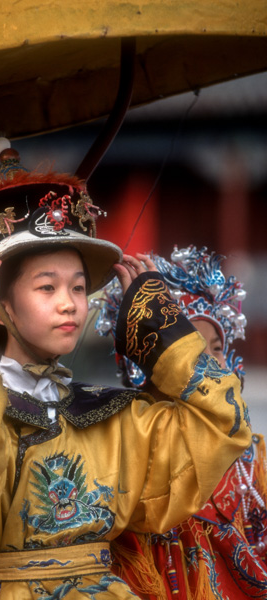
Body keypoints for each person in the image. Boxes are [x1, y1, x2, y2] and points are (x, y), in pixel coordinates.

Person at [0, 144, 251, 600]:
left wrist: (156, 325)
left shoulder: (113, 417)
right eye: (47, 287)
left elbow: (225, 424)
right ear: (0, 304)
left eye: (79, 288)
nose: (70, 304)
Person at [95, 245, 267, 599]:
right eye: (189, 347)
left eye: (216, 347)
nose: (208, 363)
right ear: (147, 360)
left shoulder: (254, 462)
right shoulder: (121, 444)